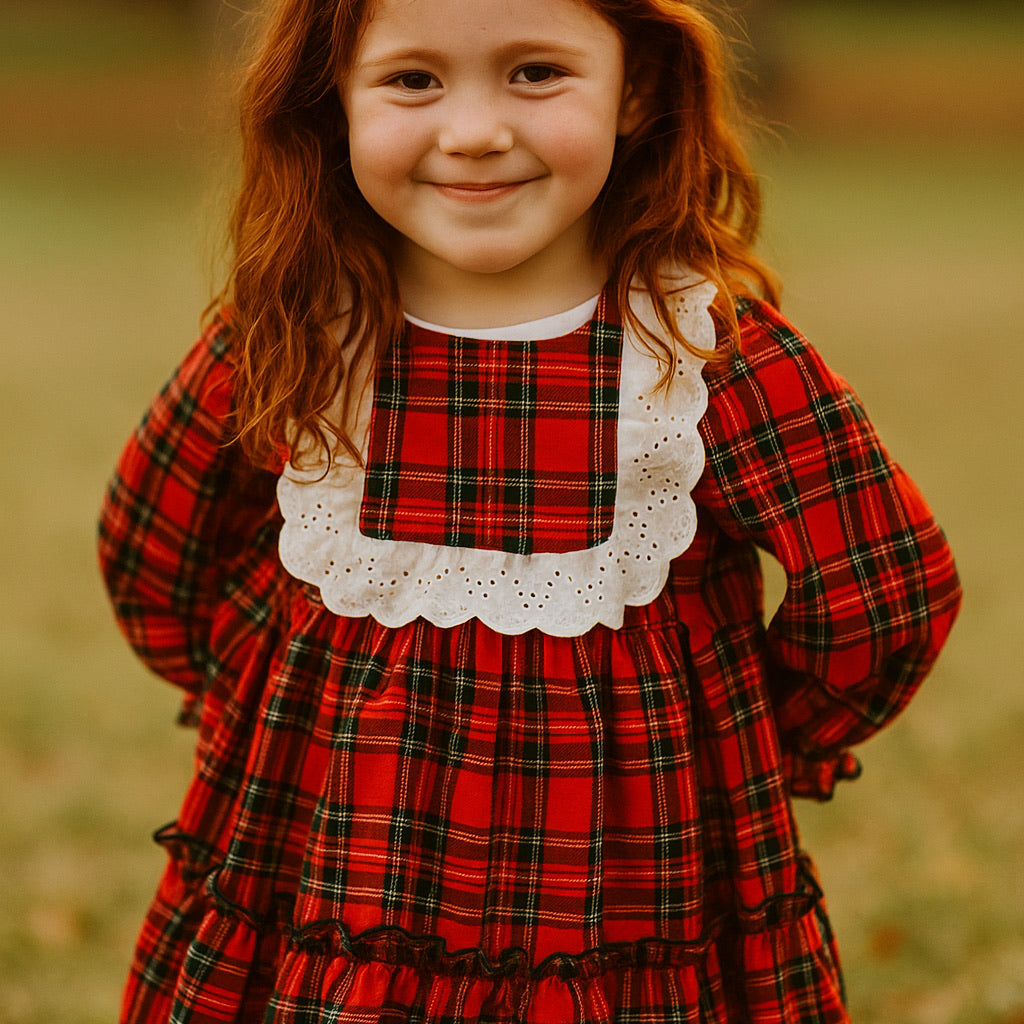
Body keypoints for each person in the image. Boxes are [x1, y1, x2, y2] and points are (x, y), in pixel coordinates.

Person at [97, 0, 962, 1020]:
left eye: (535, 73)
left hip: (630, 897)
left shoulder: (701, 355)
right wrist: (272, 698)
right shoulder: (295, 328)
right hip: (332, 881)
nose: (473, 129)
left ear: (635, 86)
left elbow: (884, 587)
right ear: (331, 97)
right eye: (413, 80)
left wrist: (743, 735)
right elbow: (153, 543)